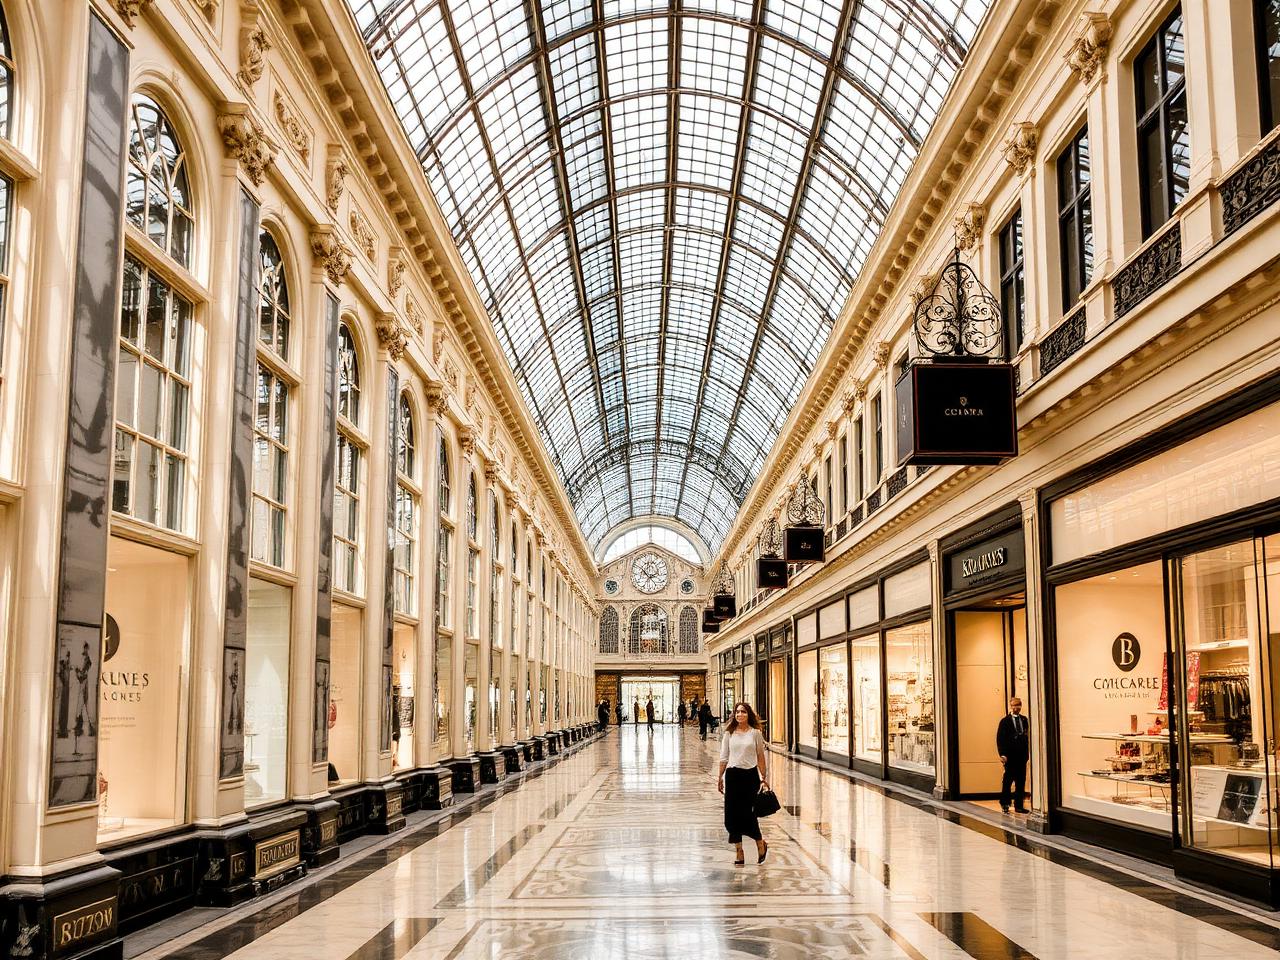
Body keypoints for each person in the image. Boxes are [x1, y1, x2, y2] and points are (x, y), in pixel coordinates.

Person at [717, 702, 769, 865]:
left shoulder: (755, 733)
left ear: (749, 715)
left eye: (743, 712)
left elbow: (760, 755)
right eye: (737, 712)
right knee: (731, 816)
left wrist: (763, 776)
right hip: (733, 776)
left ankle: (760, 843)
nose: (740, 715)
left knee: (748, 814)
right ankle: (739, 851)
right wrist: (720, 777)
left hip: (750, 777)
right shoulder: (729, 734)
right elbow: (724, 756)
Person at [996, 696, 1030, 814]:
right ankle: (1005, 803)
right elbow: (1000, 739)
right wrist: (1003, 754)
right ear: (1011, 706)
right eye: (1014, 705)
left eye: (1018, 705)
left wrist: (1027, 754)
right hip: (1010, 756)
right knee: (1008, 780)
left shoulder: (1024, 720)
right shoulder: (1005, 721)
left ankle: (1019, 805)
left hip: (1021, 756)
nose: (1017, 707)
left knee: (1021, 781)